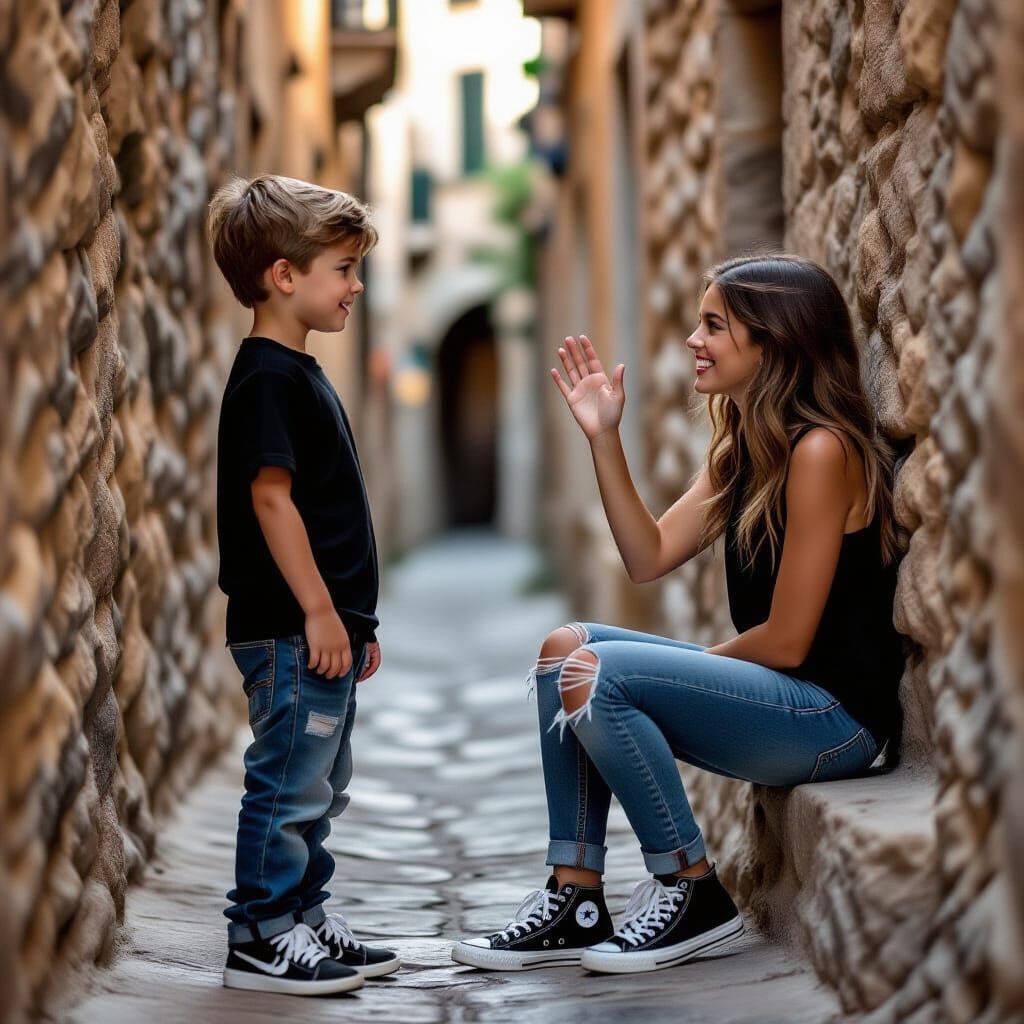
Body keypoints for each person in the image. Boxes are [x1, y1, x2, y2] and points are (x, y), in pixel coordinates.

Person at [452, 254, 905, 975]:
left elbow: (788, 643)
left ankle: (690, 888)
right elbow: (648, 554)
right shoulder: (744, 453)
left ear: (773, 341)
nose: (694, 340)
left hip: (832, 722)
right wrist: (604, 438)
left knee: (595, 672)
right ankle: (577, 894)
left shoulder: (821, 452)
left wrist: (660, 676)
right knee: (561, 646)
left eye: (714, 325)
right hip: (784, 702)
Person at [207, 173, 399, 995]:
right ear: (284, 276)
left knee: (321, 786)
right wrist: (321, 612)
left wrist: (355, 621)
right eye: (344, 268)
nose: (356, 285)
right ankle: (259, 931)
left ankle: (302, 916)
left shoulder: (299, 371)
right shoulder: (268, 380)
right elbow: (271, 499)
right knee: (287, 782)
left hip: (322, 632)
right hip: (291, 631)